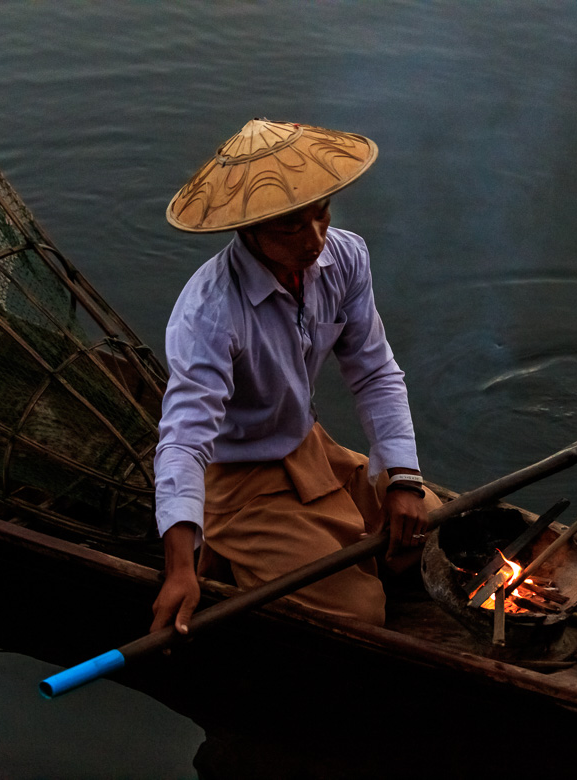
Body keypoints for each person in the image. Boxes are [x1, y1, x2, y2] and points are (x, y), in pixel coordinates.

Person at [149, 118, 440, 636]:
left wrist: (404, 478)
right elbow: (185, 440)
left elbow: (374, 370)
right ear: (248, 230)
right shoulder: (211, 311)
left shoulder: (345, 256)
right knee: (361, 612)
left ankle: (311, 542)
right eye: (290, 227)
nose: (314, 241)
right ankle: (223, 549)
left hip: (309, 448)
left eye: (321, 216)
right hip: (238, 479)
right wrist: (178, 571)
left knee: (432, 530)